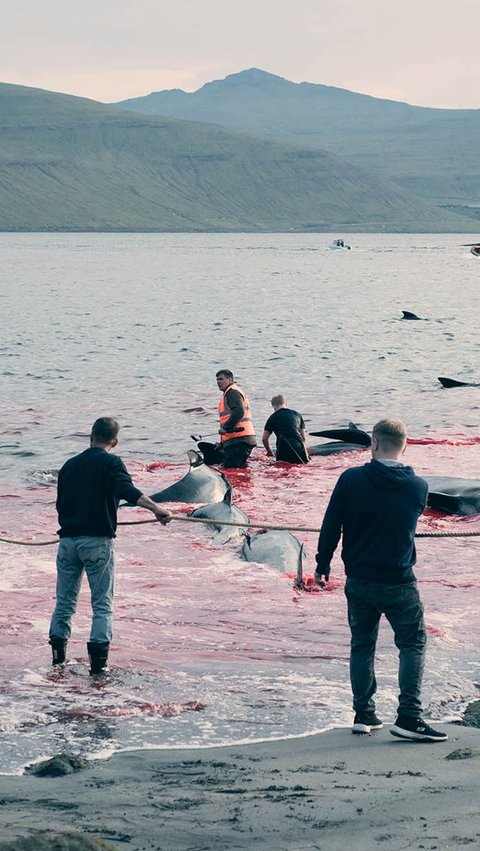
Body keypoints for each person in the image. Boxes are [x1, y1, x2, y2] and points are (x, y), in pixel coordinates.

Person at [314, 418, 448, 743]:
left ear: (373, 443)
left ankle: (364, 714)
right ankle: (409, 717)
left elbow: (331, 524)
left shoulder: (350, 479)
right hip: (399, 580)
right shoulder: (418, 487)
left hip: (359, 579)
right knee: (413, 644)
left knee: (362, 646)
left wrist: (322, 564)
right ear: (405, 445)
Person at [49, 416, 171, 675]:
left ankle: (58, 662)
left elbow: (60, 504)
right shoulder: (111, 462)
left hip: (67, 541)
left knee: (64, 603)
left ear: (90, 436)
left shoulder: (69, 465)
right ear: (114, 441)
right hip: (96, 542)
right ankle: (98, 669)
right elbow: (127, 490)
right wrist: (156, 509)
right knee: (101, 604)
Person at [215, 369, 256, 468]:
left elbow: (239, 411)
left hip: (239, 440)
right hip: (239, 439)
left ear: (229, 379)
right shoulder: (230, 393)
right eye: (217, 380)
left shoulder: (232, 392)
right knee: (238, 470)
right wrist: (222, 443)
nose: (218, 382)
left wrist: (225, 427)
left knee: (229, 470)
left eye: (221, 379)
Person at [262, 395, 309, 464]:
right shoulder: (297, 414)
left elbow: (264, 439)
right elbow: (304, 438)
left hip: (283, 450)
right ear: (286, 404)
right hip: (299, 449)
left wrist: (269, 451)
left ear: (274, 407)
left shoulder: (272, 417)